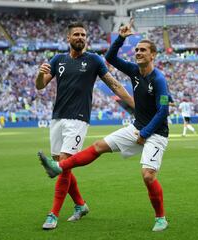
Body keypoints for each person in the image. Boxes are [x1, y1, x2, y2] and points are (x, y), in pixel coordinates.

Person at [39, 19, 170, 232]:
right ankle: (67, 182)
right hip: (136, 127)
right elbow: (110, 57)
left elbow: (163, 110)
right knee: (99, 146)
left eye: (143, 50)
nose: (137, 53)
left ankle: (161, 218)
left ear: (153, 55)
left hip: (155, 133)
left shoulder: (160, 80)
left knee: (147, 176)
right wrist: (120, 38)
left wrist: (145, 132)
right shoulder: (135, 71)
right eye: (136, 49)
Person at [35, 22, 134, 230]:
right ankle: (80, 205)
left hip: (78, 119)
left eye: (83, 34)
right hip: (58, 118)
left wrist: (135, 105)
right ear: (68, 38)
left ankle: (53, 214)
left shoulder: (94, 60)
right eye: (76, 34)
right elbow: (41, 85)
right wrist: (39, 73)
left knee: (62, 164)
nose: (81, 37)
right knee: (62, 166)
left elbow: (114, 85)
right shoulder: (58, 60)